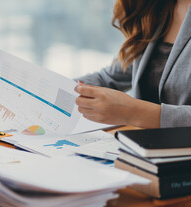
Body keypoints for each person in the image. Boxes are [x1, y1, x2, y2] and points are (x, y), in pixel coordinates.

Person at [74, 0, 191, 129]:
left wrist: (133, 112)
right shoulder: (158, 8)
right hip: (142, 145)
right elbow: (108, 78)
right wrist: (54, 87)